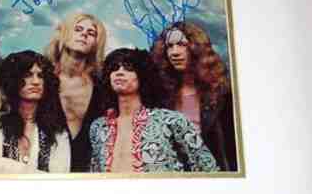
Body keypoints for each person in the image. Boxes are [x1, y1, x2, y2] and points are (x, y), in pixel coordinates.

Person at [89, 48, 218, 173]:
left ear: (142, 75)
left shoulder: (170, 121)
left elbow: (209, 168)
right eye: (114, 68)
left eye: (129, 68)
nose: (119, 72)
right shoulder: (99, 127)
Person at [0, 51, 70, 174]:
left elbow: (59, 180)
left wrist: (2, 165)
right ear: (12, 79)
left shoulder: (56, 131)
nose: (36, 81)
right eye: (28, 75)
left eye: (41, 76)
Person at [150, 22, 237, 171]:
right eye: (169, 46)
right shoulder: (161, 94)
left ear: (197, 48)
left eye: (182, 44)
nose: (174, 52)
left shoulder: (222, 92)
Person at [45, 13, 107, 172]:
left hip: (86, 171)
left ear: (96, 43)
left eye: (91, 33)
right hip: (47, 169)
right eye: (78, 29)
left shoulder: (101, 85)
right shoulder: (42, 78)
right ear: (63, 34)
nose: (84, 34)